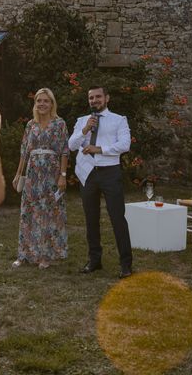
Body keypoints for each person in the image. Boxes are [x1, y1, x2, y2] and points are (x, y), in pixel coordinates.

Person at [68, 85, 133, 279]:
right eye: (91, 98)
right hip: (88, 174)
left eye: (98, 97)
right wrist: (85, 129)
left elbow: (124, 145)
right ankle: (95, 261)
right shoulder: (82, 121)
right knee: (91, 219)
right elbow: (71, 145)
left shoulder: (119, 120)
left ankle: (126, 264)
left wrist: (99, 149)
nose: (94, 101)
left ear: (107, 98)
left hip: (110, 173)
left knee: (117, 218)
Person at [11, 88, 69, 269]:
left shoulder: (59, 124)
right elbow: (24, 152)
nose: (42, 104)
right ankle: (25, 254)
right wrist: (18, 174)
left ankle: (45, 255)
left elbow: (65, 152)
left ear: (52, 104)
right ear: (35, 104)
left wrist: (63, 175)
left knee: (48, 213)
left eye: (46, 101)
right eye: (39, 101)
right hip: (32, 174)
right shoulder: (31, 125)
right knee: (29, 213)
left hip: (51, 173)